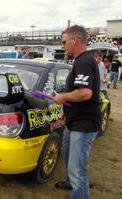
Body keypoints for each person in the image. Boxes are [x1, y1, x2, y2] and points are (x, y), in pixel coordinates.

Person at [54, 25, 100, 199]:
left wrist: (63, 97)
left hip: (84, 125)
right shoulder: (82, 61)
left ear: (75, 41)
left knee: (78, 169)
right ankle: (70, 182)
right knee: (66, 153)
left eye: (65, 42)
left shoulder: (84, 61)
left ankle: (78, 189)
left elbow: (85, 92)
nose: (63, 46)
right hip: (74, 123)